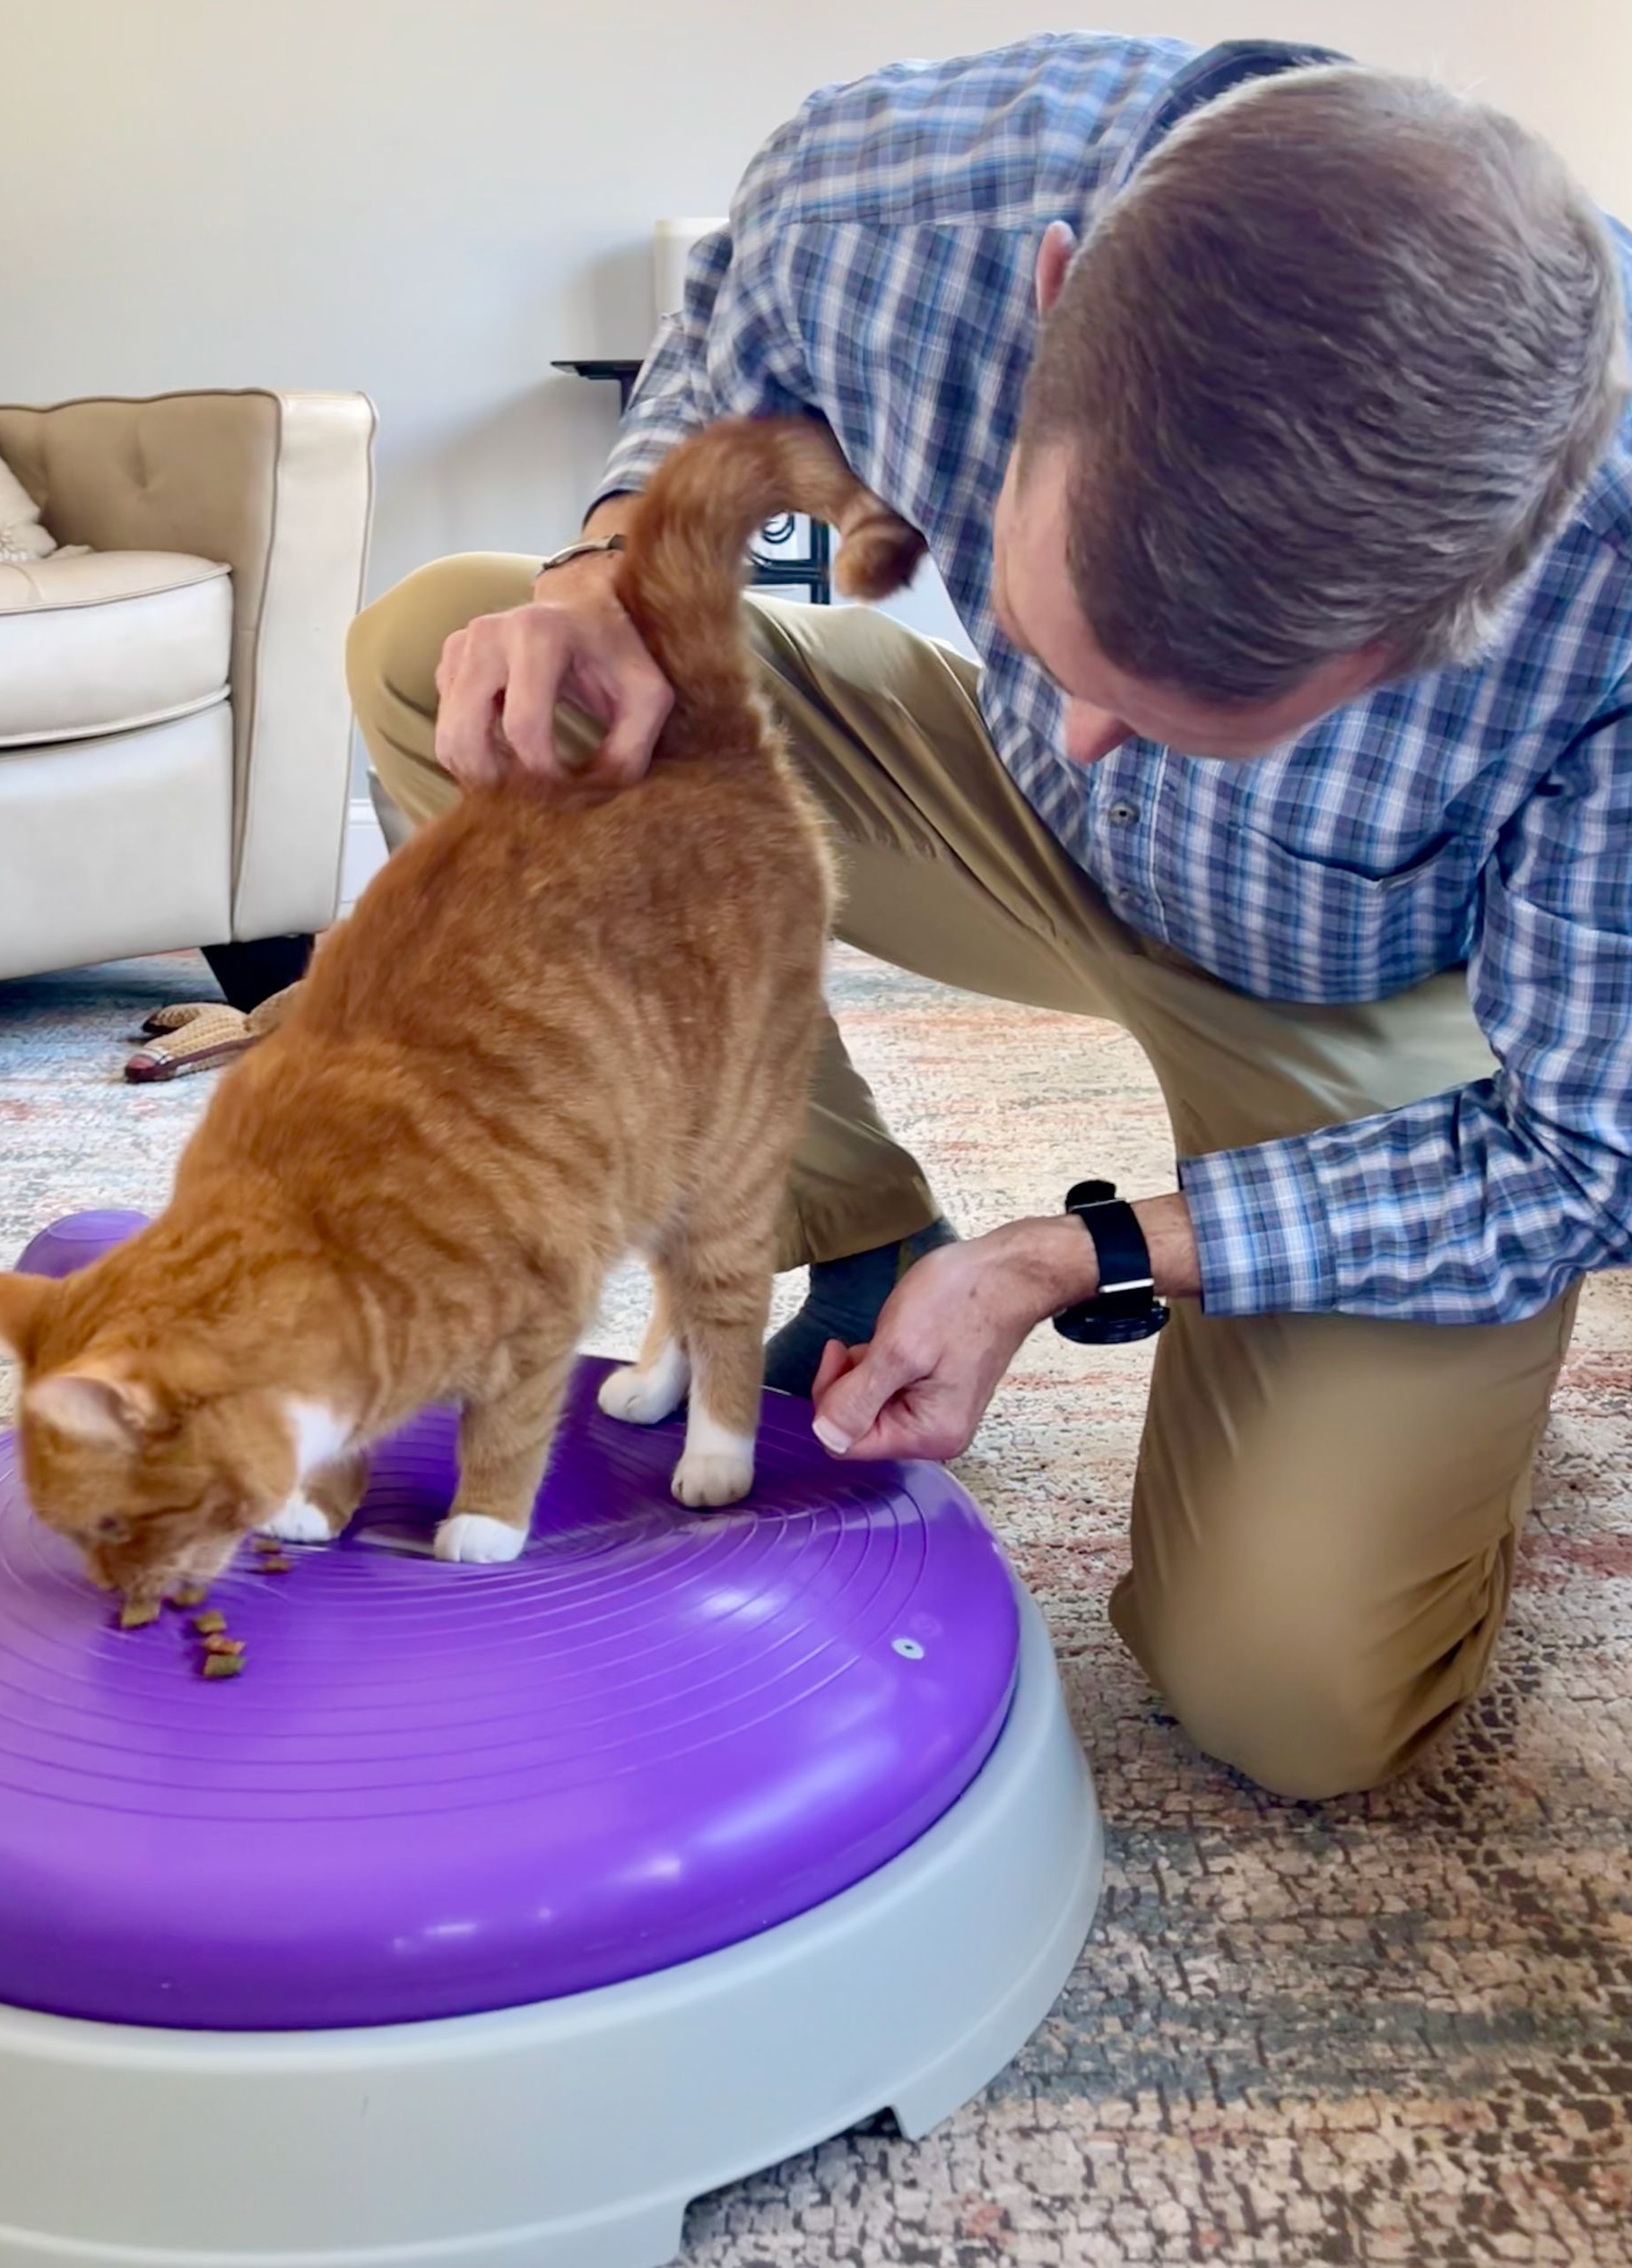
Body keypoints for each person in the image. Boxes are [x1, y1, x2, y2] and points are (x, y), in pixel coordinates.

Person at [346, 35, 1632, 1800]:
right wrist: (604, 570)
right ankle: (846, 1219)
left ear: (1478, 596)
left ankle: (1466, 1440)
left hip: (1383, 997)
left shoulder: (1615, 577)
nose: (1102, 737)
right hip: (994, 823)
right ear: (1052, 297)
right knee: (470, 660)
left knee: (1294, 1706)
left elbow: (1583, 1149)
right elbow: (732, 359)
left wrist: (1069, 1252)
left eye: (1196, 708)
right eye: (1056, 631)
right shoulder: (902, 188)